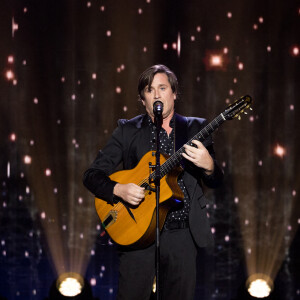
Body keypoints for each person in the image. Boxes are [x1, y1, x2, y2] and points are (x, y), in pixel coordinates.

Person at [83, 64, 224, 300]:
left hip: (182, 235)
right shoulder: (127, 130)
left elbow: (216, 181)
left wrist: (209, 165)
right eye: (150, 90)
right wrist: (119, 189)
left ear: (174, 93)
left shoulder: (194, 128)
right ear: (142, 99)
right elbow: (91, 175)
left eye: (163, 87)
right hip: (137, 232)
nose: (157, 94)